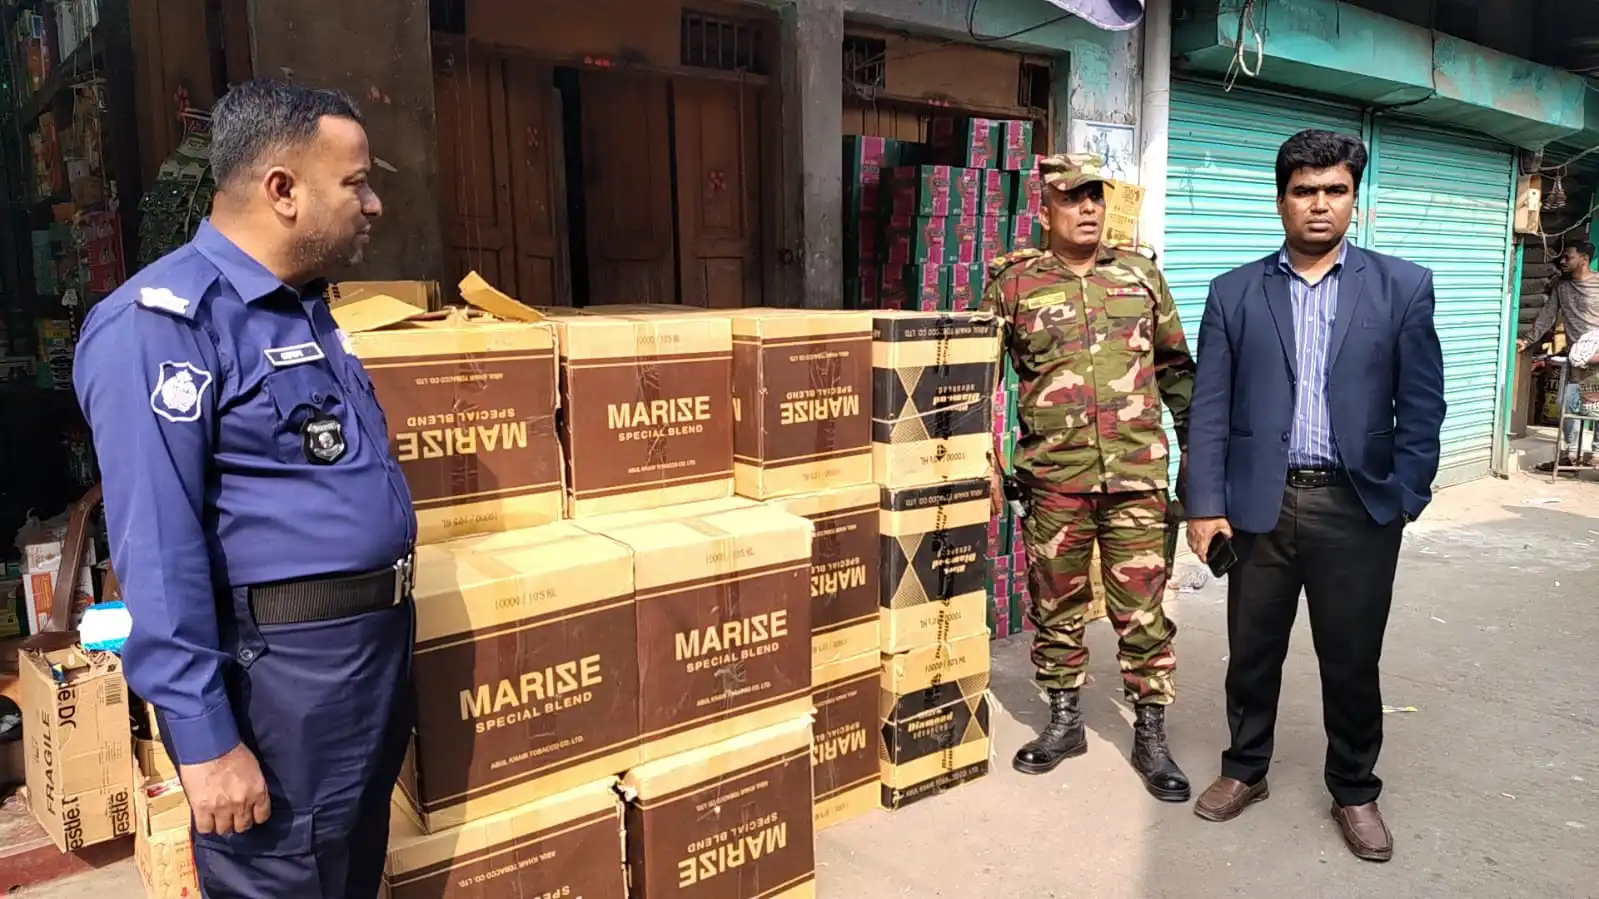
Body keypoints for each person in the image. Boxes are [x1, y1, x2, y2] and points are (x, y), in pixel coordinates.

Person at [74, 80, 415, 898]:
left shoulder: (301, 309)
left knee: (348, 875)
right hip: (282, 689)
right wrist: (206, 741)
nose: (373, 204)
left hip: (365, 667)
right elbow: (158, 549)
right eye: (355, 183)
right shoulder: (162, 324)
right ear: (282, 190)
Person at [1184, 129, 1446, 863]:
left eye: (1335, 190)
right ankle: (1245, 767)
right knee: (1251, 650)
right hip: (1259, 507)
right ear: (1281, 201)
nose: (1319, 204)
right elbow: (1209, 408)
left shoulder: (1401, 286)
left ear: (1354, 199)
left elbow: (1422, 404)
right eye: (1304, 191)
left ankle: (1354, 787)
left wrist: (1405, 496)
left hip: (1356, 507)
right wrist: (1203, 505)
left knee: (1352, 657)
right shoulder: (1234, 292)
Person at [979, 153, 1196, 802]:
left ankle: (1150, 731)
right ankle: (1064, 719)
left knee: (1142, 611)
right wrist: (981, 457)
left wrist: (1200, 459)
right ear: (1045, 211)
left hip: (1135, 478)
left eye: (1095, 197)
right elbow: (974, 378)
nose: (1088, 209)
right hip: (1053, 479)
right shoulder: (1014, 285)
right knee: (1055, 605)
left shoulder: (1139, 275)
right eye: (1072, 198)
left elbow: (1177, 369)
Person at [1519, 241, 1598, 469]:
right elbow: (1547, 315)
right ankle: (1571, 454)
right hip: (1577, 359)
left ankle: (1597, 454)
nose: (1563, 261)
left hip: (1598, 358)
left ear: (1583, 259)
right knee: (1567, 404)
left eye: (1568, 257)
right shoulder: (1562, 288)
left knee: (1597, 409)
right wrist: (1527, 340)